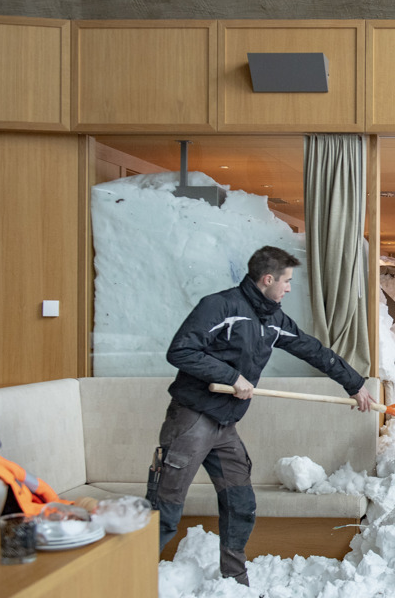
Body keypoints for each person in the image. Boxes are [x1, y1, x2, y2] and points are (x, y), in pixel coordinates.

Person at [147, 245, 373, 587]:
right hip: (191, 421)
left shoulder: (272, 320)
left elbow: (312, 349)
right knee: (164, 511)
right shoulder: (220, 306)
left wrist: (354, 384)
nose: (289, 288)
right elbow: (181, 350)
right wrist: (230, 377)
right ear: (267, 279)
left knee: (240, 503)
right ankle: (125, 577)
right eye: (286, 281)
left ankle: (234, 581)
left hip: (225, 426)